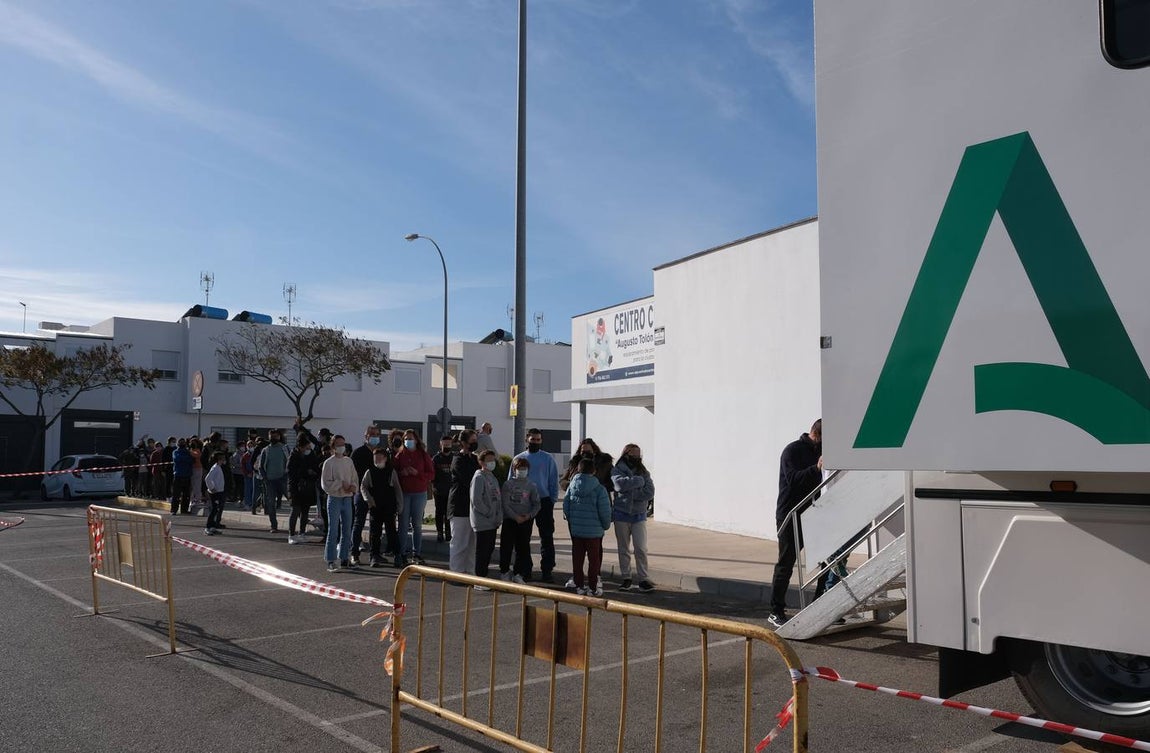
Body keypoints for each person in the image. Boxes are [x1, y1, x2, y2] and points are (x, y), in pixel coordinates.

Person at [767, 419, 825, 629]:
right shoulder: (792, 451)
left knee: (827, 558)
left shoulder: (820, 451)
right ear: (816, 434)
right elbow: (792, 479)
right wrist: (816, 468)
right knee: (786, 562)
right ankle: (776, 611)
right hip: (790, 514)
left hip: (812, 512)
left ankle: (820, 604)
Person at [511, 428, 559, 583]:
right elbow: (511, 481)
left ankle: (547, 570)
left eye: (538, 440)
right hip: (524, 503)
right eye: (533, 439)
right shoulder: (518, 458)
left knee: (546, 537)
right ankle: (526, 570)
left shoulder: (547, 458)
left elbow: (553, 480)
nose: (536, 442)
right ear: (527, 440)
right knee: (523, 538)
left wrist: (552, 500)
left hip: (544, 501)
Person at [611, 444, 656, 592]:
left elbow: (649, 492)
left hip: (639, 515)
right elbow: (618, 485)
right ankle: (626, 578)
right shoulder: (617, 469)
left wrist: (629, 492)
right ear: (626, 454)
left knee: (641, 548)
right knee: (623, 548)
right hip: (621, 515)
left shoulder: (644, 472)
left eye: (638, 454)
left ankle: (643, 579)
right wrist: (638, 482)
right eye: (633, 454)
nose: (637, 457)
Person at [564, 458, 612, 596]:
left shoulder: (572, 486)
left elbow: (566, 506)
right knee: (594, 561)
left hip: (577, 531)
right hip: (594, 532)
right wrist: (605, 525)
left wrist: (573, 521)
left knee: (577, 560)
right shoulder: (599, 489)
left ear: (578, 469)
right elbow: (605, 511)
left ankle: (579, 586)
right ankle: (593, 587)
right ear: (594, 471)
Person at [395, 429, 435, 566]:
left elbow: (431, 474)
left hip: (419, 493)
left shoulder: (423, 455)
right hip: (404, 493)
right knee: (403, 524)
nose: (408, 441)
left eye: (411, 438)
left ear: (417, 440)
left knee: (417, 524)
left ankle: (416, 553)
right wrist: (402, 473)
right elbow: (394, 473)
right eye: (406, 439)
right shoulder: (400, 455)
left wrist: (417, 473)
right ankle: (402, 553)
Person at [320, 434, 358, 572]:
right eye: (338, 444)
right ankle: (330, 559)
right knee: (333, 530)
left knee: (347, 529)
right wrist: (341, 484)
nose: (341, 447)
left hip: (347, 498)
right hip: (334, 498)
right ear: (333, 446)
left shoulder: (348, 461)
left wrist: (353, 487)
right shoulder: (329, 463)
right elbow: (325, 484)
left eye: (343, 444)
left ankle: (344, 558)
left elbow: (354, 478)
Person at [499, 456, 540, 584]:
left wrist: (528, 516)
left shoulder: (531, 485)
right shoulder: (508, 484)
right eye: (519, 468)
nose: (522, 470)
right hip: (510, 520)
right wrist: (515, 517)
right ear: (514, 469)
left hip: (525, 521)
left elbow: (536, 504)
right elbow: (505, 504)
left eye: (524, 468)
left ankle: (518, 573)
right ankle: (504, 571)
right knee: (506, 547)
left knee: (522, 548)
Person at [360, 446, 402, 567]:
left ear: (385, 458)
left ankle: (397, 555)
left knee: (391, 531)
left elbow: (397, 489)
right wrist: (368, 499)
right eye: (375, 458)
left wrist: (400, 505)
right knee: (375, 533)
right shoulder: (370, 472)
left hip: (389, 506)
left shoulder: (391, 472)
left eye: (379, 458)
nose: (377, 461)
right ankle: (374, 556)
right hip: (375, 506)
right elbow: (363, 487)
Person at [448, 429, 481, 574]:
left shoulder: (475, 459)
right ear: (464, 442)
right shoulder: (458, 460)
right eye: (472, 441)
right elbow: (469, 480)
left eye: (475, 440)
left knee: (472, 544)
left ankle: (470, 572)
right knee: (459, 543)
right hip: (459, 506)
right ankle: (457, 572)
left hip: (473, 507)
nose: (475, 443)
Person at [350, 425, 383, 565]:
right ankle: (354, 553)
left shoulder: (381, 453)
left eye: (377, 435)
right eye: (372, 435)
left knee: (376, 525)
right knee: (359, 523)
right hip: (361, 493)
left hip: (377, 494)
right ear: (366, 436)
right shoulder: (358, 453)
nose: (375, 437)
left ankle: (374, 555)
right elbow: (352, 474)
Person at [470, 449, 502, 586]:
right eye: (488, 460)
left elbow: (497, 498)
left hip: (492, 521)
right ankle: (479, 580)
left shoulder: (492, 477)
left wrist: (498, 515)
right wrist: (488, 512)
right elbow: (476, 500)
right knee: (482, 551)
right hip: (482, 521)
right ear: (481, 462)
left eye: (493, 460)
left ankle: (484, 577)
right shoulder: (479, 477)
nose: (492, 463)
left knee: (489, 550)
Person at [287, 436, 321, 544]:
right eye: (306, 447)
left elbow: (316, 468)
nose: (308, 449)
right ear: (300, 447)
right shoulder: (293, 456)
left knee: (305, 512)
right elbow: (291, 472)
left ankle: (302, 533)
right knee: (295, 510)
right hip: (295, 487)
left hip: (308, 487)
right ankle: (291, 535)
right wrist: (306, 471)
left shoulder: (311, 455)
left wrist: (313, 473)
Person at [257, 429, 289, 534]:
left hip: (283, 479)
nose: (273, 438)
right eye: (271, 436)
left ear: (279, 437)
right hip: (270, 481)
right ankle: (274, 526)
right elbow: (261, 467)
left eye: (275, 436)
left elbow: (289, 463)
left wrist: (287, 476)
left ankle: (300, 522)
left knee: (292, 500)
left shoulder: (284, 448)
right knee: (271, 504)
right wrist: (265, 478)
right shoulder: (266, 450)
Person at [431, 435, 455, 543]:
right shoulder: (436, 459)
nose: (446, 446)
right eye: (444, 444)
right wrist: (434, 486)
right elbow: (432, 474)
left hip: (451, 491)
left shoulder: (454, 458)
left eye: (448, 444)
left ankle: (448, 533)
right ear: (440, 445)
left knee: (449, 513)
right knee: (439, 513)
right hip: (439, 491)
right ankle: (440, 533)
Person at [203, 452, 228, 535]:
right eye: (223, 458)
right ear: (219, 459)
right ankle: (207, 527)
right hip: (215, 493)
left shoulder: (219, 467)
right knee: (214, 510)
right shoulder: (215, 468)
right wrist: (212, 488)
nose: (224, 460)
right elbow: (207, 479)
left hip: (219, 491)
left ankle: (212, 527)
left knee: (216, 510)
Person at [171, 438, 192, 515]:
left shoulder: (188, 452)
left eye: (183, 442)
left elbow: (190, 460)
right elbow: (177, 459)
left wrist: (184, 459)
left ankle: (184, 510)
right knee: (176, 494)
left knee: (186, 494)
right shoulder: (175, 452)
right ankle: (174, 510)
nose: (182, 443)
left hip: (187, 475)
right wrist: (185, 459)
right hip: (178, 475)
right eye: (181, 442)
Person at [188, 438, 204, 512]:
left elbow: (197, 455)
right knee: (192, 485)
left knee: (197, 484)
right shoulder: (192, 450)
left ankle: (197, 499)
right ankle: (192, 499)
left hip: (197, 468)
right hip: (192, 468)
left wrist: (190, 452)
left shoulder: (197, 450)